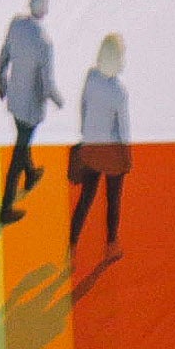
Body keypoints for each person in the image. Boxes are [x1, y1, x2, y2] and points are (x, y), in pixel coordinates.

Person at [0, 0, 59, 222]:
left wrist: (1, 82)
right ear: (44, 9)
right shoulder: (45, 42)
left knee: (23, 140)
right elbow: (47, 84)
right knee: (19, 152)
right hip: (31, 108)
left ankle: (31, 173)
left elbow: (5, 54)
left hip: (15, 100)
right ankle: (6, 208)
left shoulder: (16, 24)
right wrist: (59, 101)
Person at [71, 31, 130, 260]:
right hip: (112, 153)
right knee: (113, 201)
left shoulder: (91, 77)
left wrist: (85, 135)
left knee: (86, 199)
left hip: (92, 148)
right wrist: (126, 157)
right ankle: (111, 246)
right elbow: (123, 129)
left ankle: (72, 245)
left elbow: (83, 107)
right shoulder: (119, 92)